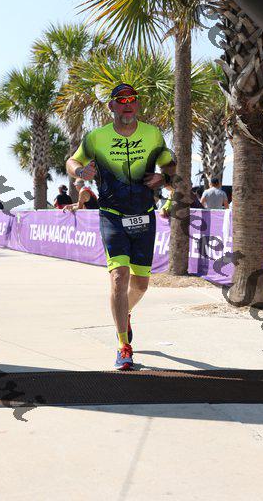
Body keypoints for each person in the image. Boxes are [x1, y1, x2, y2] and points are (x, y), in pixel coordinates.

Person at [66, 83, 176, 370]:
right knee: (119, 277)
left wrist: (164, 179)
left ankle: (124, 313)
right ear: (111, 106)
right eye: (121, 100)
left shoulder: (152, 134)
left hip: (144, 216)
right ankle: (123, 345)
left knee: (141, 285)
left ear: (137, 104)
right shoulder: (96, 137)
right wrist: (80, 170)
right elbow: (72, 160)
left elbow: (169, 164)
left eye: (132, 100)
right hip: (112, 215)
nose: (128, 105)